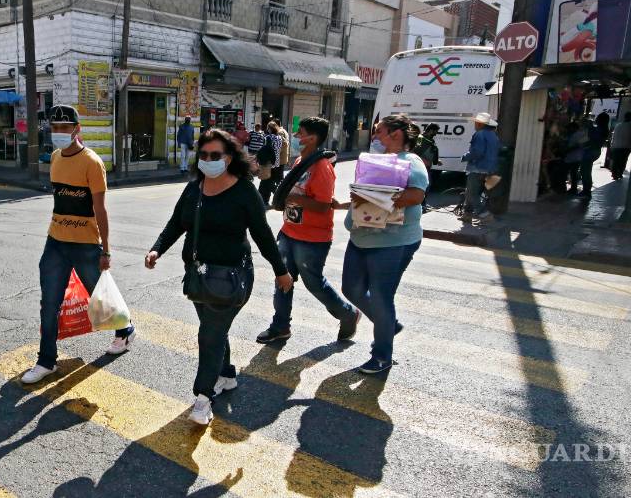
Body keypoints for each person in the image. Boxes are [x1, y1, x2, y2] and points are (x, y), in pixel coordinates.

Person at [145, 128, 293, 424]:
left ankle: (202, 398)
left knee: (209, 333)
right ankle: (225, 374)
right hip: (199, 276)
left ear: (230, 157)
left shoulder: (243, 191)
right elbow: (176, 223)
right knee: (214, 330)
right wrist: (157, 250)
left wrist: (281, 271)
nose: (208, 160)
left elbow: (263, 235)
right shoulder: (194, 188)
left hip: (232, 278)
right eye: (203, 155)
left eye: (216, 155)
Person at [20, 105, 136, 385]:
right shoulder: (56, 158)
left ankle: (125, 329)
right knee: (49, 303)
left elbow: (100, 210)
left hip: (85, 245)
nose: (59, 132)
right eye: (55, 127)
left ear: (77, 128)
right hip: (55, 243)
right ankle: (46, 360)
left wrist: (105, 250)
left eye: (65, 127)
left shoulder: (92, 163)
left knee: (101, 296)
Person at [256, 117, 359, 345]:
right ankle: (280, 326)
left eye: (300, 133)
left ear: (313, 138)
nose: (295, 137)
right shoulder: (302, 161)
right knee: (283, 280)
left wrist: (293, 198)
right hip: (289, 231)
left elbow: (322, 205)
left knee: (314, 283)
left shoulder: (321, 167)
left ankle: (348, 314)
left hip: (312, 239)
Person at [342, 114, 429, 374]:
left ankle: (381, 356)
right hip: (360, 237)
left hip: (393, 242)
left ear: (396, 134)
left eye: (379, 131)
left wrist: (370, 195)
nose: (375, 136)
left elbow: (415, 196)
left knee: (381, 298)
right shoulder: (375, 159)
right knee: (351, 289)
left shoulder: (411, 162)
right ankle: (388, 324)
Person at [460, 112, 500, 219]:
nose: (475, 124)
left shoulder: (479, 134)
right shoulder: (493, 136)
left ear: (480, 124)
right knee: (472, 192)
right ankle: (467, 214)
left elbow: (477, 152)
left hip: (478, 168)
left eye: (476, 122)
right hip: (490, 169)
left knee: (472, 194)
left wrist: (465, 157)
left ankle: (484, 214)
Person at [609, 112, 631, 180]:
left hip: (616, 146)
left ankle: (614, 174)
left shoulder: (618, 125)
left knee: (616, 160)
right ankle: (620, 173)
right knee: (623, 161)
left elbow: (614, 136)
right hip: (626, 146)